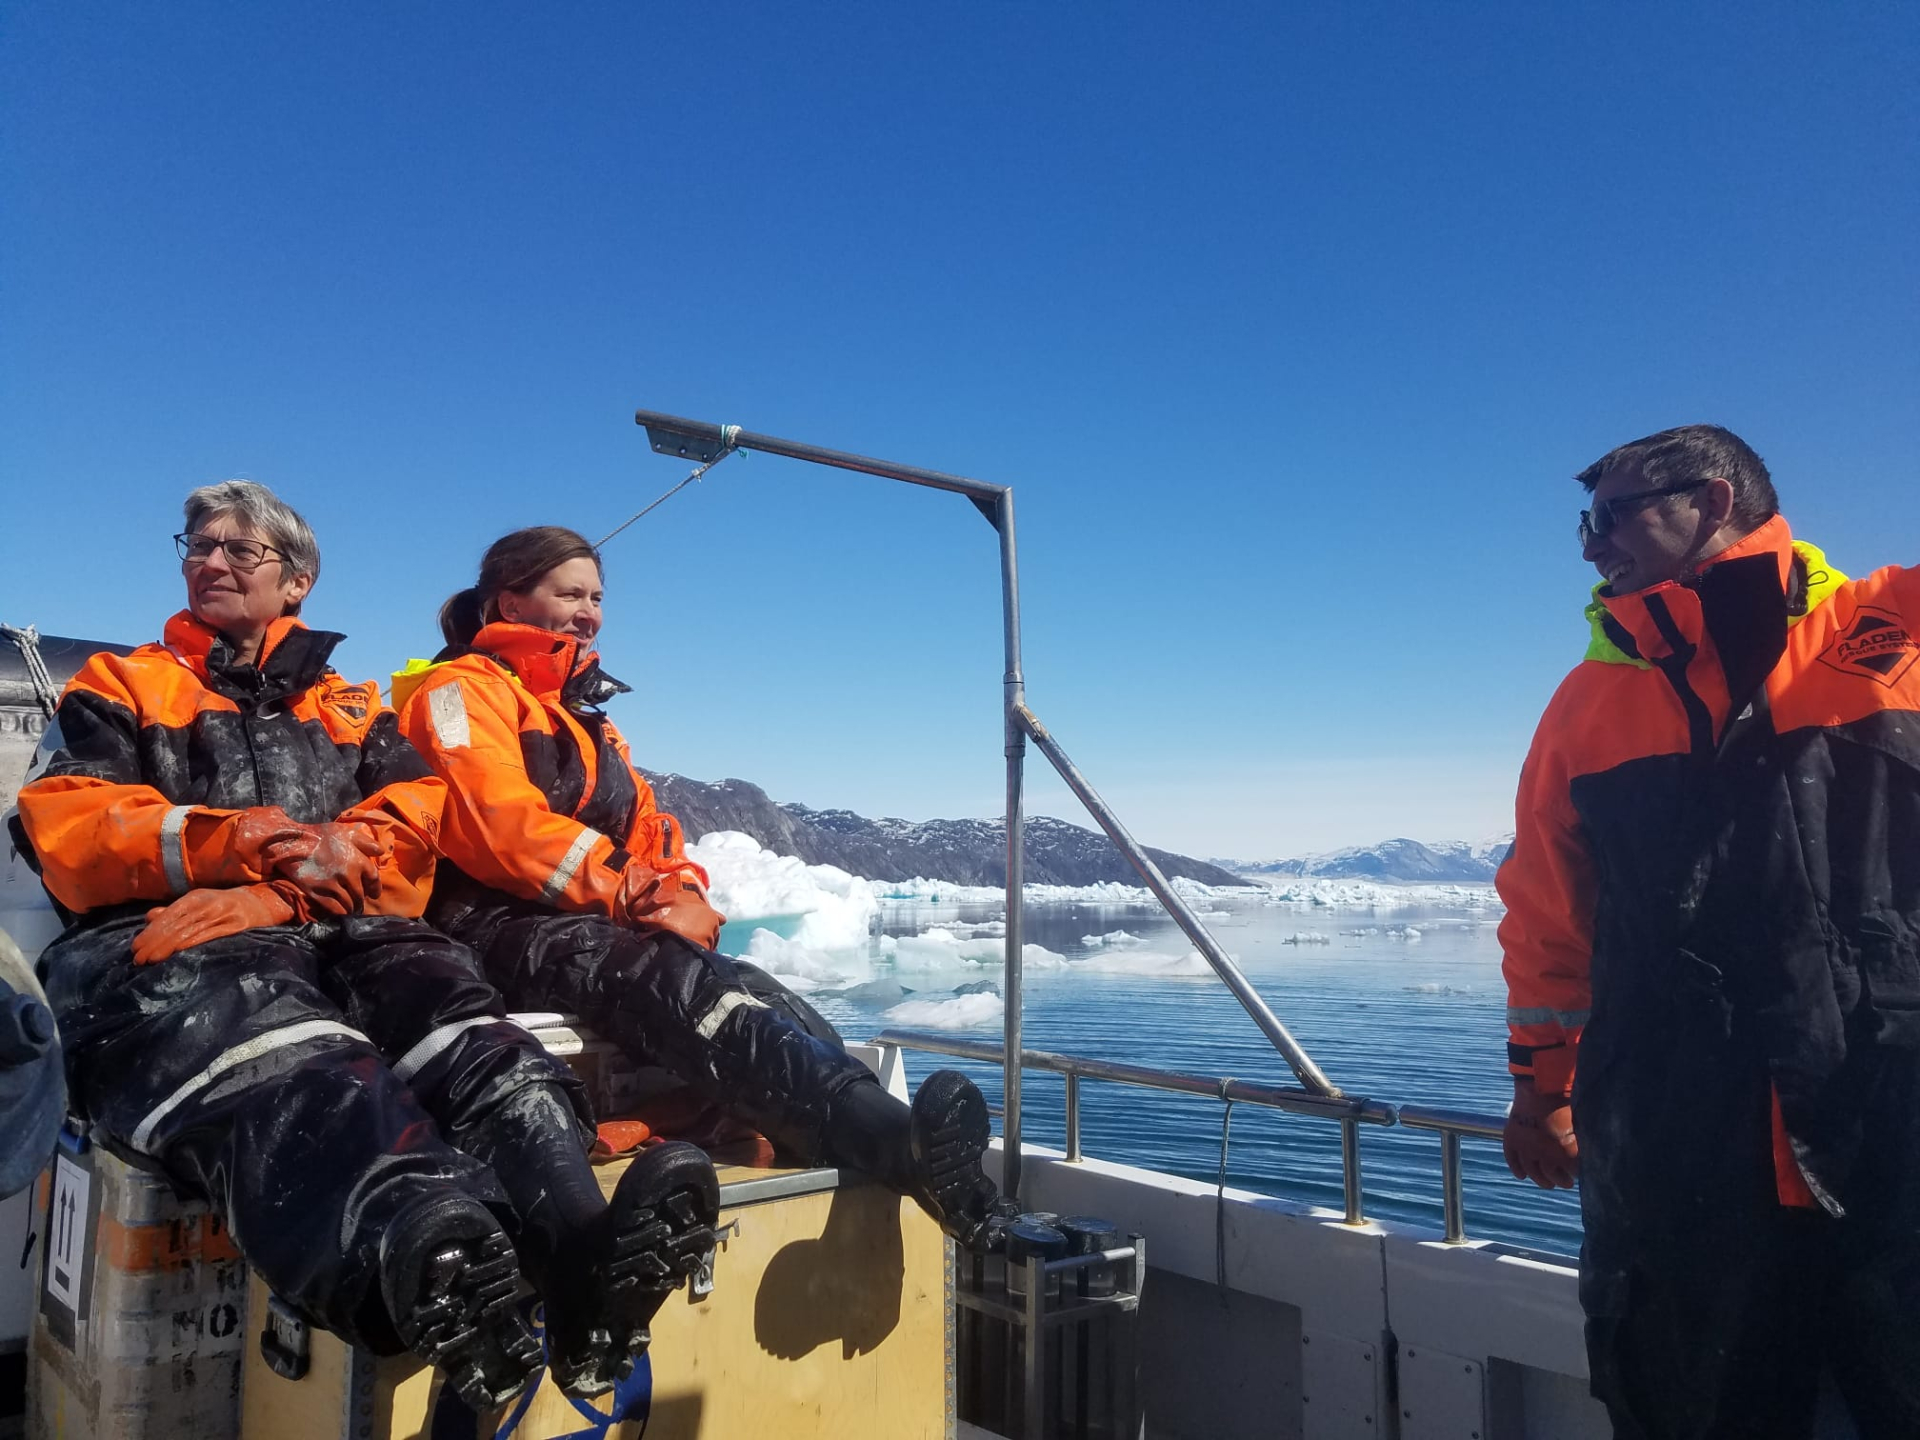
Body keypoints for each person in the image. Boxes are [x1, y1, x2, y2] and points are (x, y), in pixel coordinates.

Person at [11, 484, 719, 1411]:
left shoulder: (348, 708)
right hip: (162, 946)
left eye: (241, 550)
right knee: (281, 1051)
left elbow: (415, 821)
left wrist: (281, 889)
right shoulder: (121, 685)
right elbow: (68, 820)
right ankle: (426, 1257)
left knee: (457, 1016)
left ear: (296, 581)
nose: (210, 561)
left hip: (325, 926)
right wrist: (248, 846)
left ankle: (584, 1258)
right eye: (199, 544)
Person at [394, 526, 1015, 1252]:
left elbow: (653, 829)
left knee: (775, 1004)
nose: (589, 611)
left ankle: (937, 1178)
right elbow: (494, 823)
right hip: (490, 921)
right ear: (509, 598)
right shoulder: (456, 693)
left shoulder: (588, 720)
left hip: (585, 922)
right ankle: (886, 1145)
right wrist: (634, 895)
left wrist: (680, 888)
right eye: (569, 594)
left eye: (597, 597)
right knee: (668, 980)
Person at [1496, 426, 1920, 1439]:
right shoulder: (1586, 706)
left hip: (1892, 1124)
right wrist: (1540, 1086)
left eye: (1611, 519)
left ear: (1714, 502)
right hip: (1677, 1143)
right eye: (1581, 527)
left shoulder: (1899, 628)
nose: (1592, 549)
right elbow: (1550, 914)